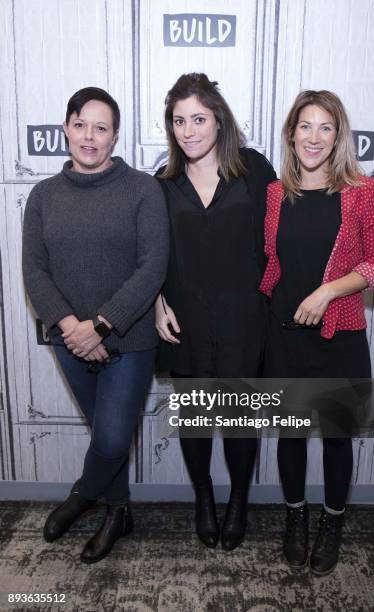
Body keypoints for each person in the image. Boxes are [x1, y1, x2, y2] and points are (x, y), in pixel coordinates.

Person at [22, 87, 169, 563]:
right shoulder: (43, 196)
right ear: (66, 127)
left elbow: (153, 265)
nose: (90, 137)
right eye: (81, 125)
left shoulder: (143, 189)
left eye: (101, 128)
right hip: (68, 339)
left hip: (129, 338)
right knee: (106, 433)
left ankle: (83, 494)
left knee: (109, 436)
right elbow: (34, 271)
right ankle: (118, 511)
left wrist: (101, 326)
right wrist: (72, 328)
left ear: (115, 136)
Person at [259, 90, 374, 574]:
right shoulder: (275, 193)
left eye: (325, 128)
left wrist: (328, 290)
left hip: (340, 337)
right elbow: (272, 262)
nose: (314, 138)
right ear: (292, 134)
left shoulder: (362, 190)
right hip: (285, 336)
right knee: (290, 436)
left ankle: (332, 523)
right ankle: (296, 518)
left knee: (337, 438)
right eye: (305, 127)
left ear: (338, 137)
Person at [155, 73, 277, 550]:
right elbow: (152, 254)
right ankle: (204, 500)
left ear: (219, 120)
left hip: (246, 319)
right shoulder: (163, 185)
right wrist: (156, 301)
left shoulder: (254, 169)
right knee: (197, 421)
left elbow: (281, 239)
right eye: (179, 120)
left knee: (241, 423)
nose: (189, 130)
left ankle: (239, 502)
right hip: (187, 320)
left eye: (198, 118)